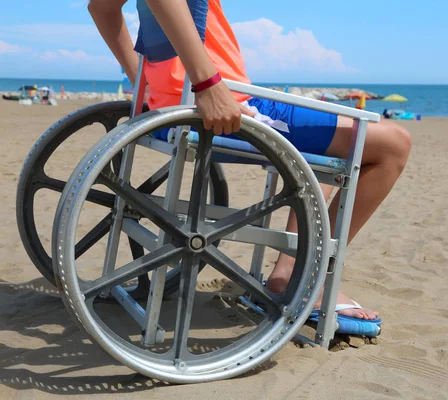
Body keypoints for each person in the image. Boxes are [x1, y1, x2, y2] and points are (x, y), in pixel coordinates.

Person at [88, 0, 412, 322]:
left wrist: (141, 83)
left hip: (168, 107)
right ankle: (315, 281)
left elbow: (100, 8)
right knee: (393, 145)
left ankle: (286, 274)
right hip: (220, 103)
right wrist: (207, 84)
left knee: (327, 141)